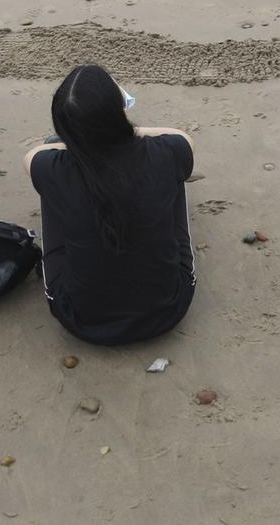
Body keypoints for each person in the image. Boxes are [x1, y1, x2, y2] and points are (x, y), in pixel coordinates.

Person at [23, 65, 195, 345]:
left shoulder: (53, 168)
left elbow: (33, 155)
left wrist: (72, 142)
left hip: (81, 318)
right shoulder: (164, 152)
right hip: (167, 309)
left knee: (51, 181)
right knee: (173, 171)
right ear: (118, 114)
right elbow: (183, 138)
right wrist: (129, 131)